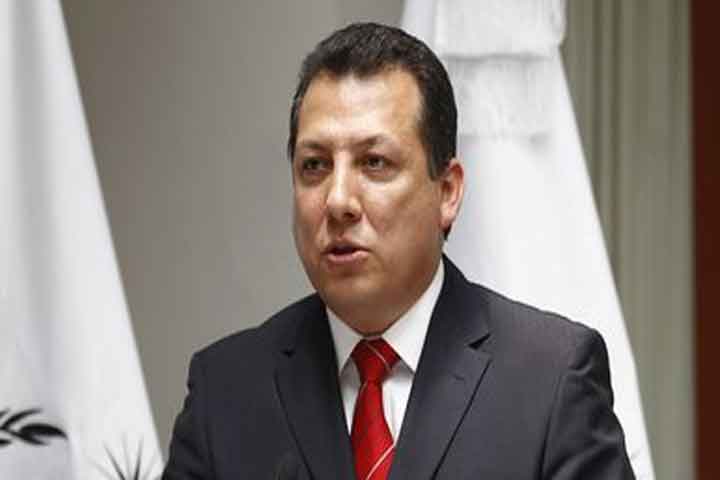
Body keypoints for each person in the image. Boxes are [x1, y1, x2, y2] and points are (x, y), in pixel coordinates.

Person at [163, 23, 634, 479]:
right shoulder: (225, 391)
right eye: (315, 165)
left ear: (447, 192)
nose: (338, 200)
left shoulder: (550, 379)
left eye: (374, 162)